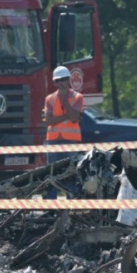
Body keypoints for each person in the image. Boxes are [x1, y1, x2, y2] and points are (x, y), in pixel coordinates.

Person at [44, 66, 85, 198]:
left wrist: (63, 101)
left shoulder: (78, 97)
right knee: (52, 175)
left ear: (68, 80)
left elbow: (74, 117)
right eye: (58, 80)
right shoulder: (49, 99)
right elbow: (48, 121)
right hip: (53, 140)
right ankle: (51, 209)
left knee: (72, 174)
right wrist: (67, 116)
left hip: (70, 141)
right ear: (55, 83)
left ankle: (72, 206)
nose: (61, 83)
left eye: (64, 79)